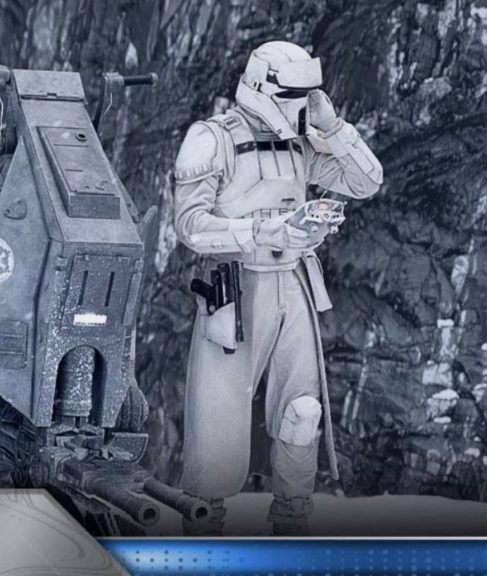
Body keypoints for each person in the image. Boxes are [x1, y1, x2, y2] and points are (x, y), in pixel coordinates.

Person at [173, 40, 383, 535]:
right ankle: (204, 533)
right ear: (263, 88)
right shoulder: (213, 139)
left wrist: (333, 126)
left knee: (301, 411)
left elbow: (367, 181)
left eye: (307, 95)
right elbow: (190, 226)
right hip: (234, 289)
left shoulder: (300, 144)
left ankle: (292, 524)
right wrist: (263, 231)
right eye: (293, 95)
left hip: (293, 282)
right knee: (216, 427)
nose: (300, 106)